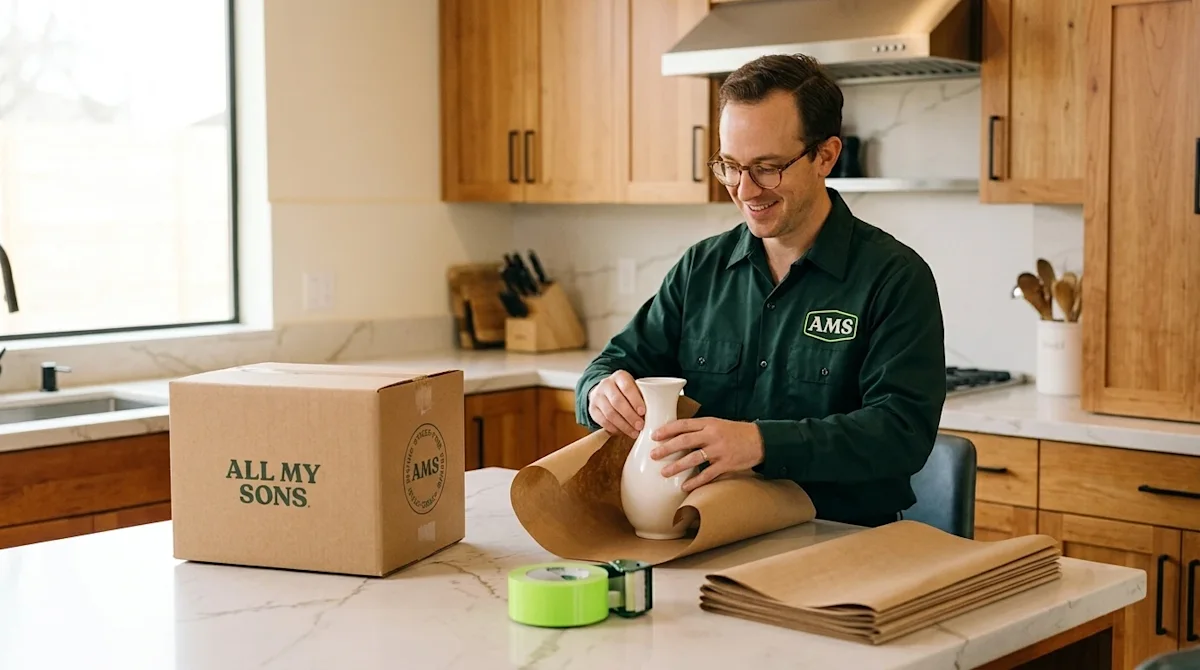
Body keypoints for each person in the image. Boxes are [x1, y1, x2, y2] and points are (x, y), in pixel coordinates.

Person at [573, 53, 947, 529]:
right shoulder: (700, 270)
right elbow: (610, 366)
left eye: (767, 167)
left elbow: (902, 433)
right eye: (730, 165)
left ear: (825, 156)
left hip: (843, 541)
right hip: (706, 535)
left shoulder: (894, 277)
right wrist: (598, 393)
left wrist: (762, 444)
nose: (745, 190)